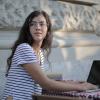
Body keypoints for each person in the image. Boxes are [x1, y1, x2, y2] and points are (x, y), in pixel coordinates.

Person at [3, 10, 97, 100]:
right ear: (28, 29)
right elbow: (45, 83)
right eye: (32, 24)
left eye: (41, 24)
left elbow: (39, 79)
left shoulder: (40, 53)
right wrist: (81, 87)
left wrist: (71, 82)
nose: (37, 27)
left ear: (47, 29)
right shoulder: (24, 48)